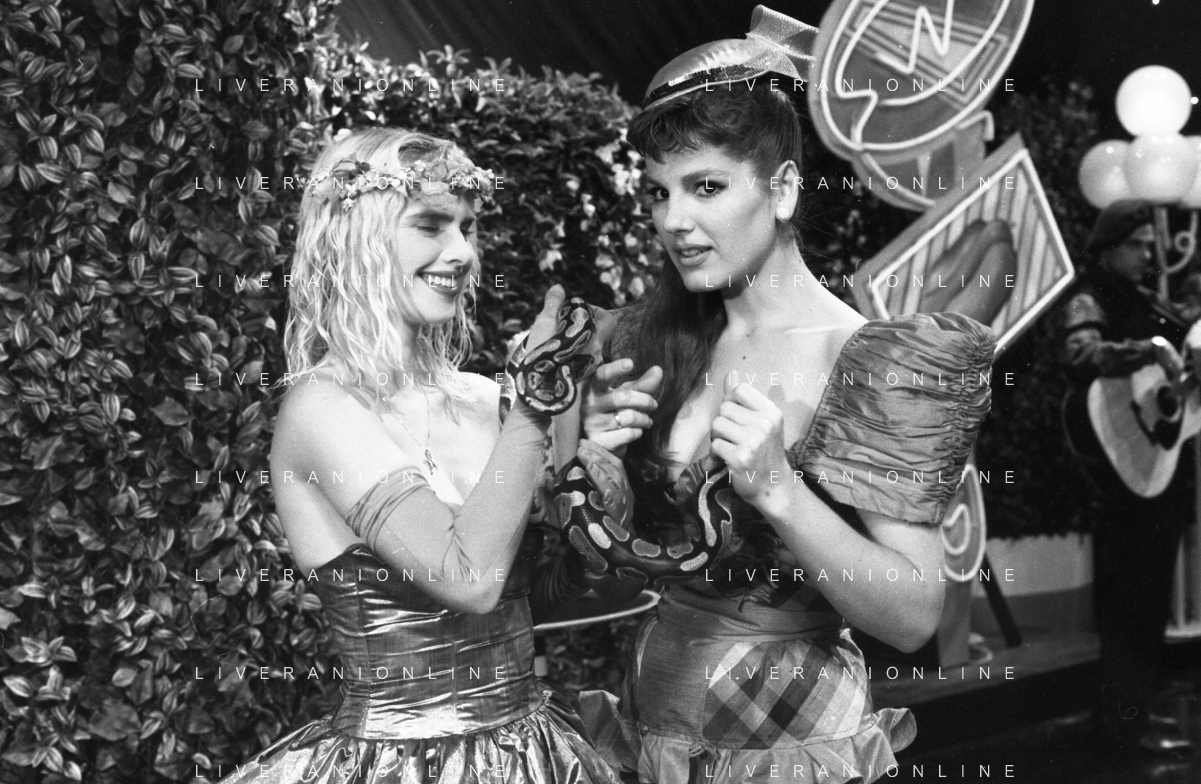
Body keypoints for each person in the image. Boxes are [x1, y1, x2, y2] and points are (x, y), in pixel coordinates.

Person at [553, 13, 996, 783]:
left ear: (783, 188)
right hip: (656, 728)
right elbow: (600, 574)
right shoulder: (652, 342)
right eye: (658, 194)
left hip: (793, 747)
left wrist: (779, 491)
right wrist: (590, 458)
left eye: (706, 187)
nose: (673, 222)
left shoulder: (873, 363)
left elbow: (911, 616)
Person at [215, 127, 621, 783]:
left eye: (468, 227)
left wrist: (598, 471)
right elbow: (468, 580)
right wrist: (536, 408)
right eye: (431, 225)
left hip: (534, 756)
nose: (462, 252)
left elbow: (530, 600)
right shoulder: (321, 409)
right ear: (356, 236)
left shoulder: (486, 398)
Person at [1059, 199, 1198, 758]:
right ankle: (1120, 731)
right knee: (1129, 607)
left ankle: (1133, 719)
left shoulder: (1148, 300)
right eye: (1137, 245)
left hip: (1159, 471)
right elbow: (1080, 354)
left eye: (1149, 244)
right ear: (1109, 247)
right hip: (1122, 479)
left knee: (1149, 603)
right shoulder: (1088, 298)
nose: (1149, 254)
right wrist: (1149, 349)